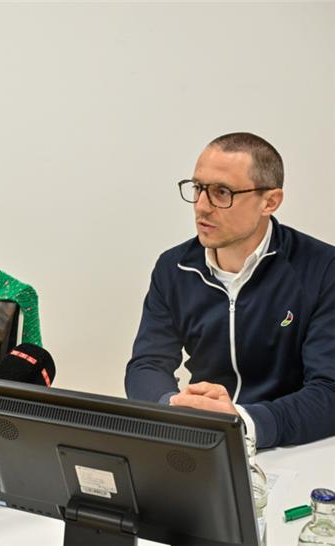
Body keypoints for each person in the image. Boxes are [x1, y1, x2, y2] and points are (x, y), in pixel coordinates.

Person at [126, 132, 335, 448]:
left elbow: (329, 391)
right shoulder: (174, 267)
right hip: (201, 442)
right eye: (198, 188)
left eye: (222, 192)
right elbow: (146, 365)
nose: (202, 207)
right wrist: (173, 406)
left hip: (288, 444)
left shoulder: (322, 267)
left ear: (270, 201)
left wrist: (240, 421)